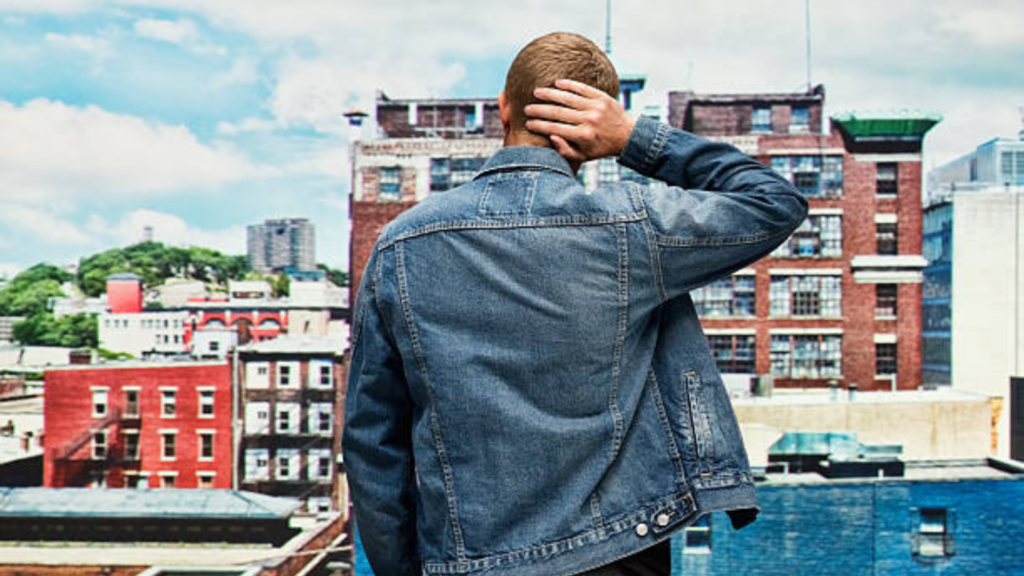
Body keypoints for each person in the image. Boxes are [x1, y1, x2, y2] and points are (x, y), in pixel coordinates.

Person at [343, 32, 808, 576]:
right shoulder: (631, 230)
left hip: (473, 561)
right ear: (597, 125)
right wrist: (636, 138)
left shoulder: (402, 245)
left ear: (503, 108)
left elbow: (373, 442)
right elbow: (774, 201)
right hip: (618, 554)